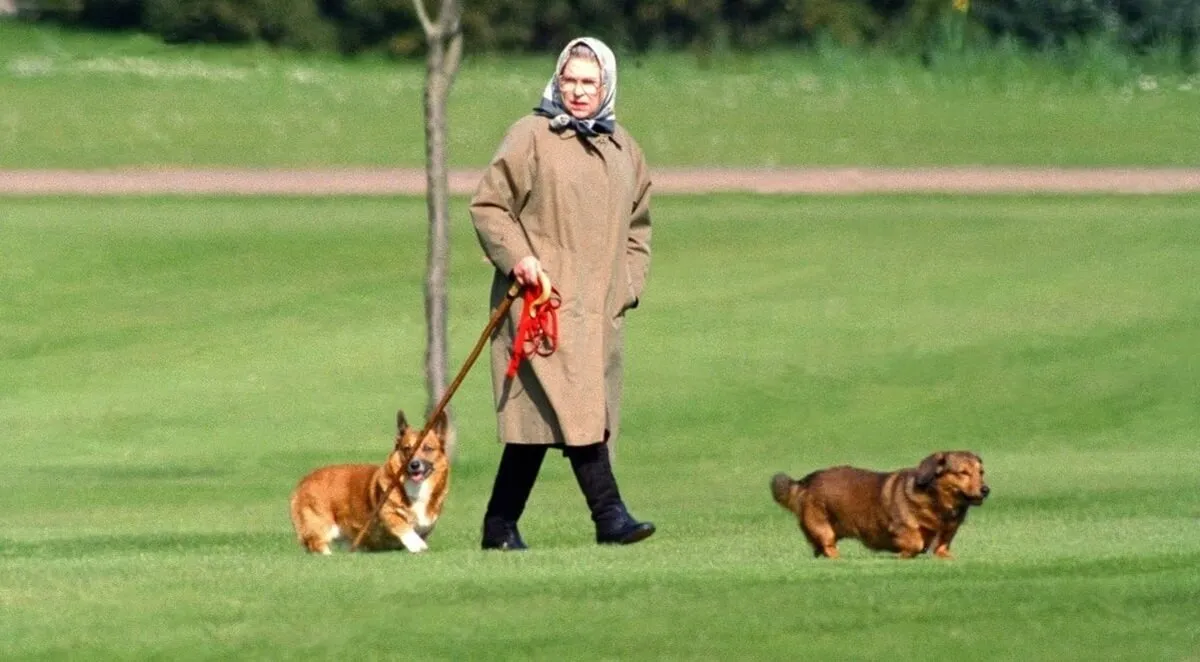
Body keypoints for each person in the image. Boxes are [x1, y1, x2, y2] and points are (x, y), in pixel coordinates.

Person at [469, 36, 654, 550]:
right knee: (579, 411)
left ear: (606, 86)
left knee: (541, 425)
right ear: (556, 79)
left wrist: (629, 287)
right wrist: (519, 258)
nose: (577, 91)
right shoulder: (529, 136)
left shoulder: (624, 150)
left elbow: (639, 227)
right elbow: (489, 206)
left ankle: (499, 526)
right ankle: (610, 517)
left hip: (600, 314)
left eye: (588, 82)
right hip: (539, 308)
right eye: (569, 79)